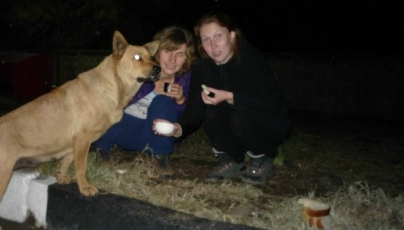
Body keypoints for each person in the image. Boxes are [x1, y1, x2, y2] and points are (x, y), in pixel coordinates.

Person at [155, 12, 291, 184]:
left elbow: (273, 105)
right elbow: (194, 111)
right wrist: (178, 129)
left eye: (218, 36)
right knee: (211, 113)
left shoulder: (251, 58)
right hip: (235, 124)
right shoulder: (203, 68)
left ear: (232, 36)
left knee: (240, 118)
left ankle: (262, 156)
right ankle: (232, 159)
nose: (213, 45)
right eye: (206, 40)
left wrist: (230, 97)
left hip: (269, 122)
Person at [92, 25, 196, 177]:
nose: (172, 60)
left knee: (163, 101)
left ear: (187, 57)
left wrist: (180, 100)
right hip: (122, 131)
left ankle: (160, 157)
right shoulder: (139, 70)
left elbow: (187, 119)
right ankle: (101, 149)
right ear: (157, 53)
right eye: (167, 52)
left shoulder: (185, 80)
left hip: (152, 137)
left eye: (180, 54)